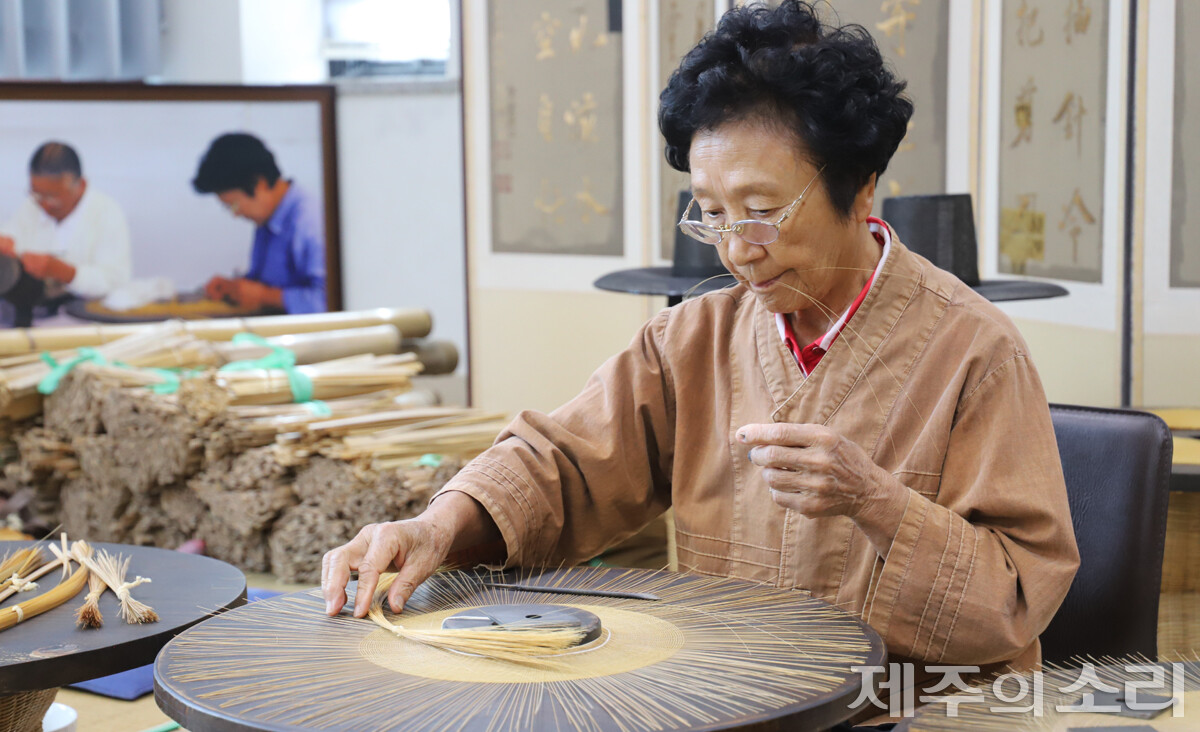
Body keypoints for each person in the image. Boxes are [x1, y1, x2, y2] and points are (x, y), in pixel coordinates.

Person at [322, 0, 1079, 717]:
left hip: (911, 711)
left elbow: (1015, 595)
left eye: (761, 211)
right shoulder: (692, 339)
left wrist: (875, 501)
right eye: (712, 214)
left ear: (860, 191)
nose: (737, 250)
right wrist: (437, 526)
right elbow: (564, 467)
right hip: (736, 705)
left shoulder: (975, 351)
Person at [192, 133, 326, 314]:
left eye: (234, 205)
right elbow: (266, 283)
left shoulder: (310, 222)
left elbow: (330, 301)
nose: (235, 214)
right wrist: (234, 289)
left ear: (259, 184)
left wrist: (264, 297)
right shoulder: (268, 221)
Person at [0, 141, 133, 302]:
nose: (44, 205)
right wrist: (5, 245)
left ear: (81, 185)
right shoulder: (32, 206)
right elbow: (11, 236)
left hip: (87, 312)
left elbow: (115, 282)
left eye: (52, 197)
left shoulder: (107, 213)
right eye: (37, 194)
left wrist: (68, 274)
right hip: (31, 309)